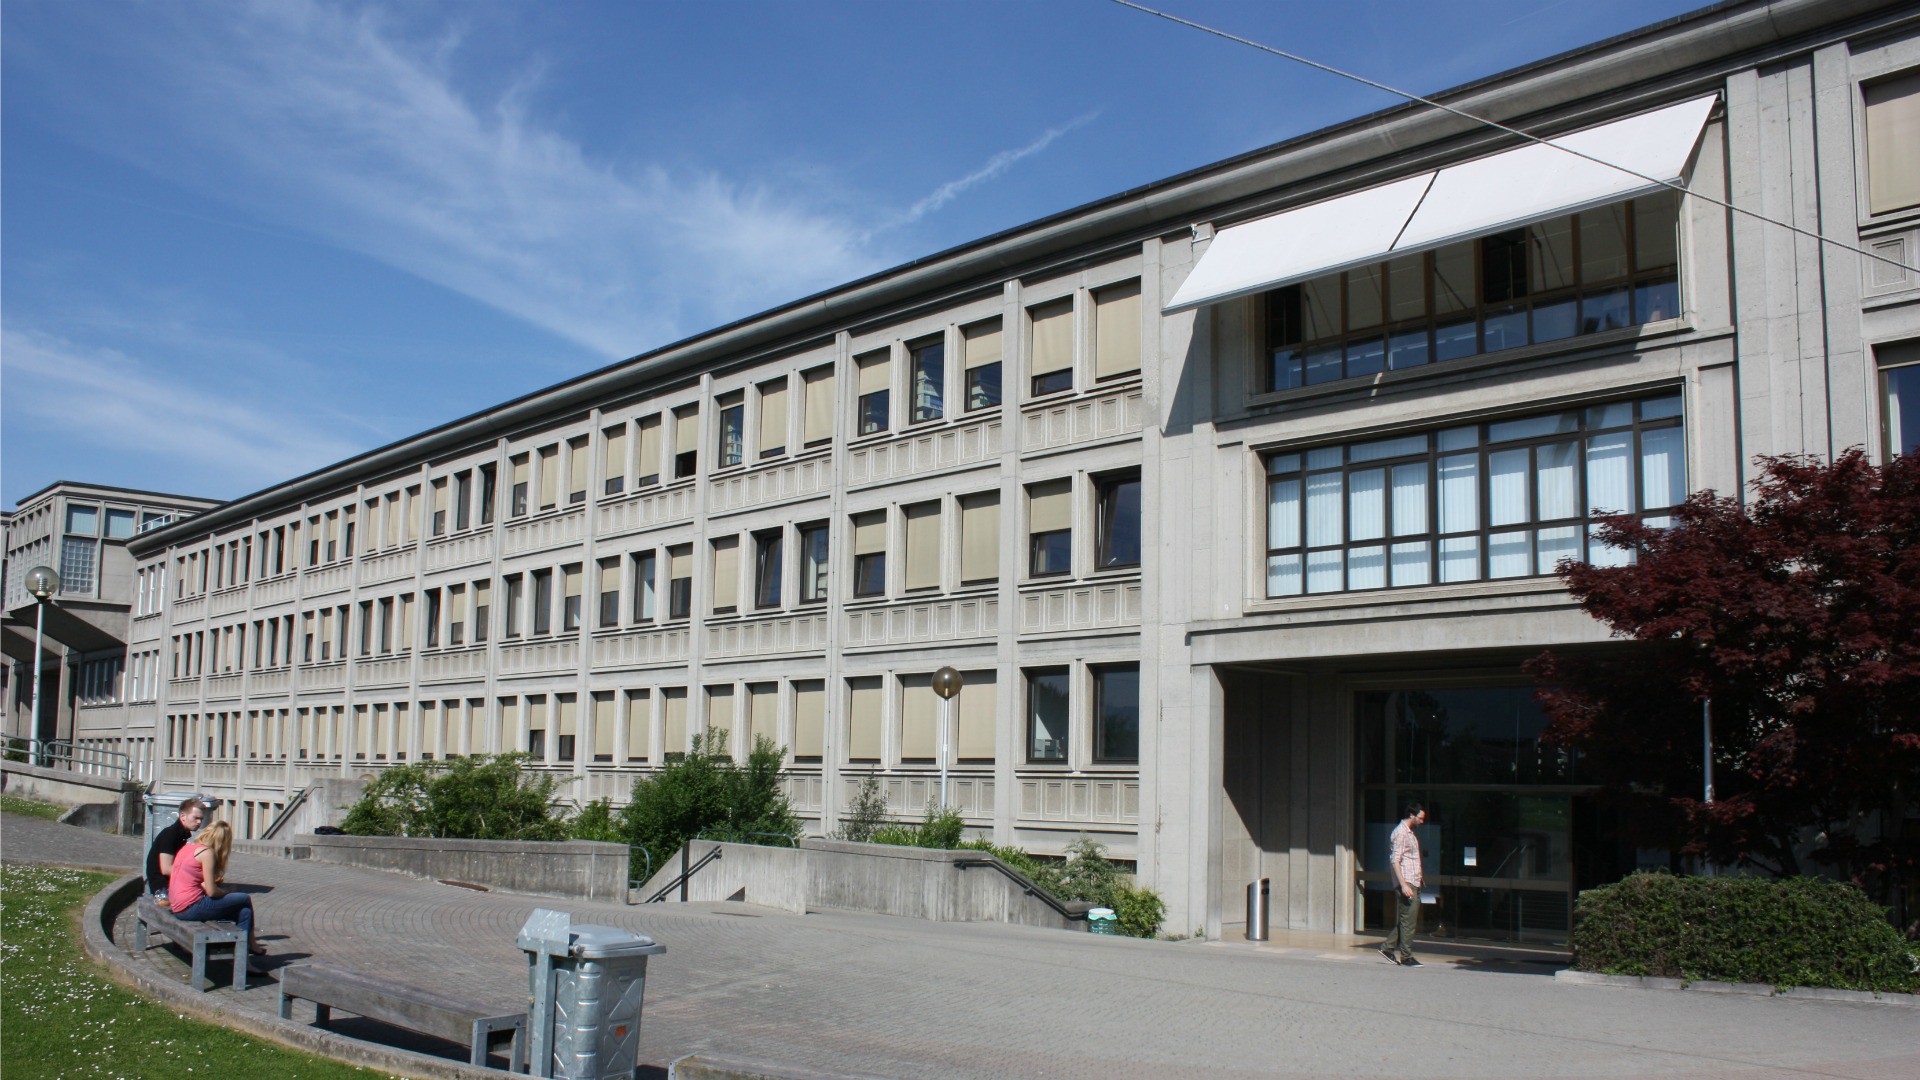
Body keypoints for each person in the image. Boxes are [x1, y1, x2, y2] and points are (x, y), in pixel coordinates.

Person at [168, 819, 266, 957]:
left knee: (244, 911)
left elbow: (196, 882)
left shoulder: (187, 848)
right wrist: (227, 892)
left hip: (177, 905)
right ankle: (248, 948)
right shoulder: (207, 853)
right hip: (191, 907)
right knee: (244, 898)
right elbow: (212, 891)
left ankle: (246, 955)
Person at [1379, 802, 1427, 967]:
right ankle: (1406, 956)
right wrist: (1403, 885)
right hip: (1407, 882)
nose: (1422, 821)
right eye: (1420, 818)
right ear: (1412, 815)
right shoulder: (1400, 833)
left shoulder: (1410, 833)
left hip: (1414, 881)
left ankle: (1387, 948)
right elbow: (1395, 861)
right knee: (1408, 921)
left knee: (1408, 920)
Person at [144, 797, 207, 906]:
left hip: (170, 886)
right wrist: (196, 879)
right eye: (196, 818)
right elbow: (166, 869)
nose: (199, 822)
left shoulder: (180, 835)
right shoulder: (170, 834)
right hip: (163, 889)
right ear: (183, 816)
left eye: (201, 819)